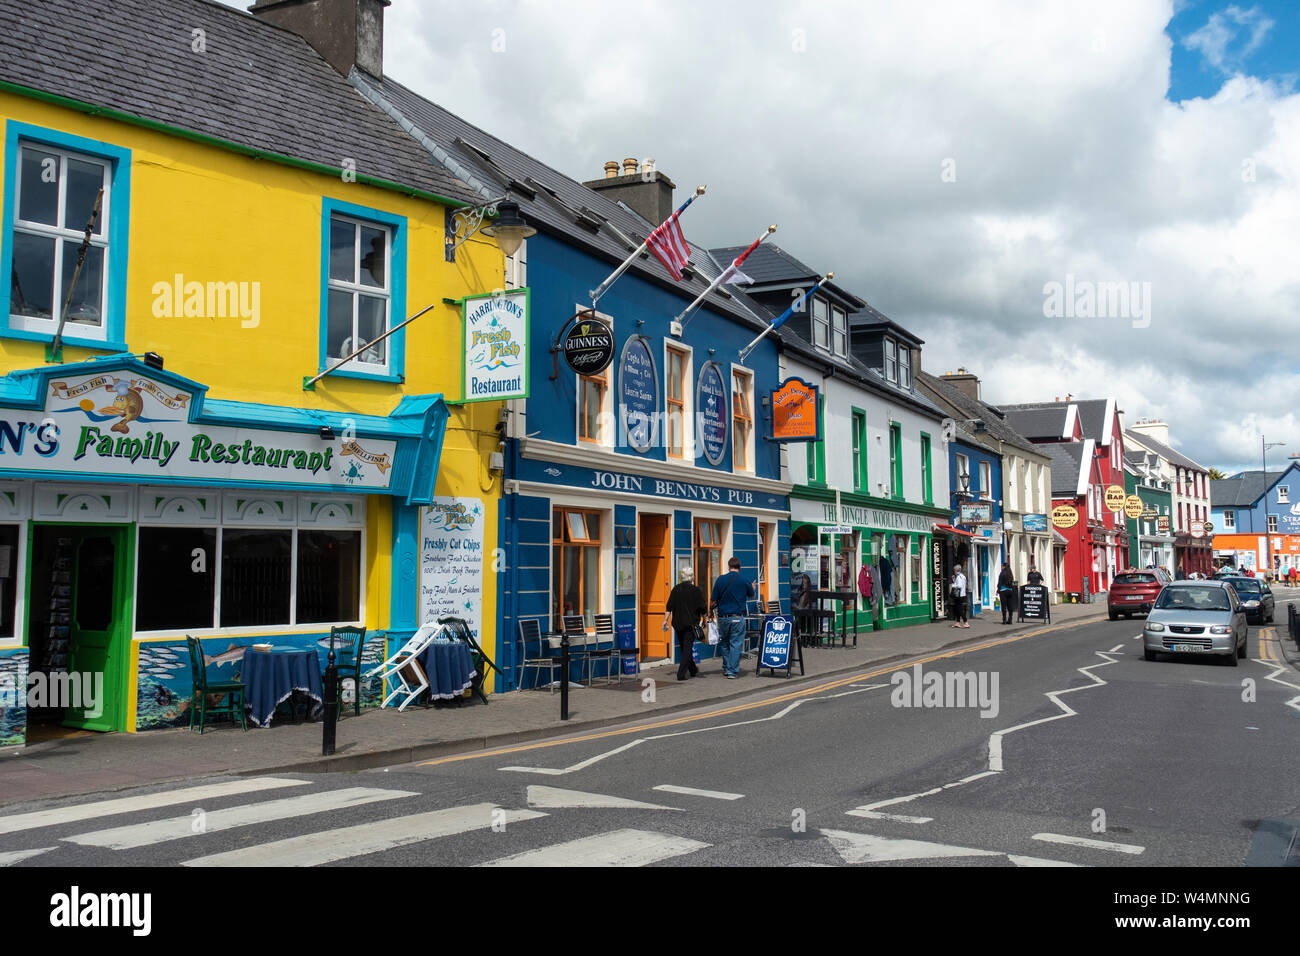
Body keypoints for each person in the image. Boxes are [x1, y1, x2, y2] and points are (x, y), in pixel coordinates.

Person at [710, 556, 754, 679]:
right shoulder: (744, 580)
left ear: (729, 567)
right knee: (736, 644)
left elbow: (713, 599)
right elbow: (751, 595)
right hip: (737, 617)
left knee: (724, 643)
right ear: (740, 567)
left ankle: (726, 667)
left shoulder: (720, 579)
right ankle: (731, 671)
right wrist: (753, 588)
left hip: (723, 617)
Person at [663, 566, 707, 681]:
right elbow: (702, 607)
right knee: (687, 648)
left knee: (685, 647)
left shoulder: (676, 589)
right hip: (690, 624)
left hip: (678, 624)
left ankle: (692, 669)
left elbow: (669, 607)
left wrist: (665, 620)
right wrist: (705, 619)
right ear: (692, 577)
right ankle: (681, 674)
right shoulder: (695, 590)